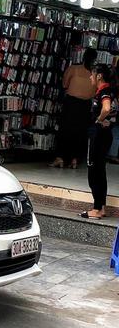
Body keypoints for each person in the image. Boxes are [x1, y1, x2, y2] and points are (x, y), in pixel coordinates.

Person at [51, 48, 97, 169]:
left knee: (65, 130)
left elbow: (65, 84)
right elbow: (95, 92)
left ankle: (60, 158)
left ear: (83, 56)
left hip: (71, 103)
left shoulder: (74, 69)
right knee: (80, 132)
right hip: (85, 105)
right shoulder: (95, 74)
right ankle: (75, 159)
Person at [81, 63, 117, 219]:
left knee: (93, 171)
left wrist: (99, 119)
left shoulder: (104, 91)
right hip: (105, 134)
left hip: (98, 135)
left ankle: (96, 209)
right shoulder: (111, 90)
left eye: (92, 74)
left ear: (99, 76)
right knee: (100, 171)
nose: (90, 77)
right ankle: (101, 207)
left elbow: (107, 108)